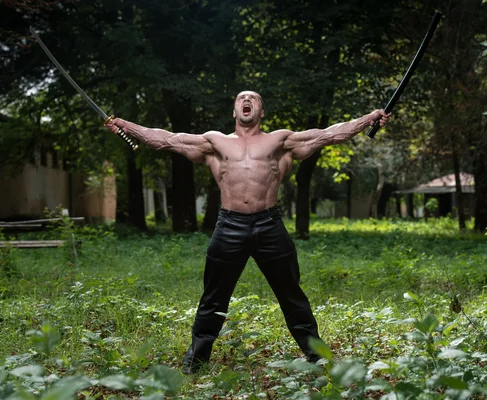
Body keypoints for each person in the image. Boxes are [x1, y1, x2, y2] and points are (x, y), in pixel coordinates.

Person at [106, 91, 390, 373]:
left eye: (253, 99)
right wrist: (127, 126)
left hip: (269, 225)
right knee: (213, 297)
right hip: (229, 225)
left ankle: (317, 356)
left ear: (261, 111)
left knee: (291, 294)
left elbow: (329, 134)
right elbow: (166, 139)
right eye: (241, 99)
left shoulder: (280, 140)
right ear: (234, 111)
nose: (246, 101)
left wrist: (368, 119)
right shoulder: (215, 142)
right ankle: (196, 361)